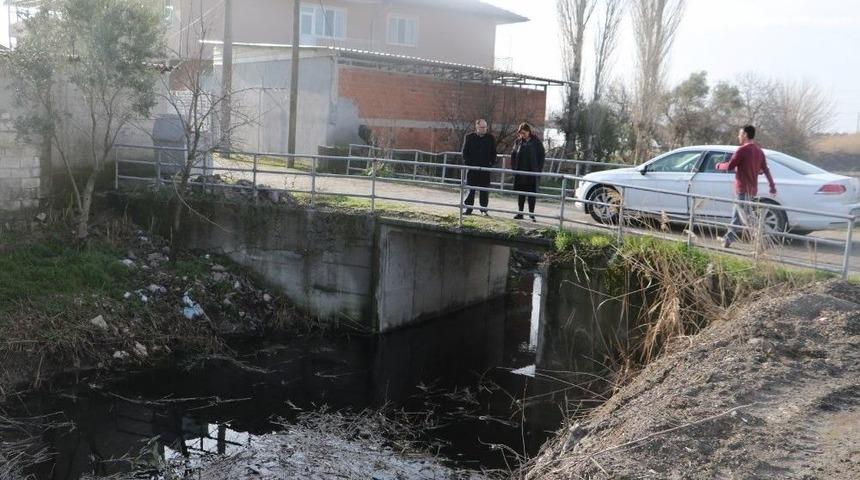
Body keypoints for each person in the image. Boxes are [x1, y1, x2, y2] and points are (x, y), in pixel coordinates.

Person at [716, 125, 777, 248]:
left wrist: (718, 165)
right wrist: (772, 186)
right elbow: (765, 169)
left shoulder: (742, 150)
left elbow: (730, 166)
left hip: (742, 189)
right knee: (738, 215)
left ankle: (764, 240)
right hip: (752, 190)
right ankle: (727, 240)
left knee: (747, 217)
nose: (738, 136)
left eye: (739, 134)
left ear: (745, 135)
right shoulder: (759, 151)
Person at [461, 119, 498, 215]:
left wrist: (490, 163)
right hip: (472, 168)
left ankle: (483, 210)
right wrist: (468, 163)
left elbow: (494, 153)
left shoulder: (490, 138)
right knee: (470, 189)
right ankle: (468, 209)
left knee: (484, 190)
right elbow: (465, 152)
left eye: (485, 127)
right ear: (477, 127)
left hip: (485, 168)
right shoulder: (469, 137)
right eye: (482, 127)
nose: (484, 129)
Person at [510, 122, 545, 221]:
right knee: (521, 194)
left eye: (524, 133)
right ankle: (520, 213)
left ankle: (531, 214)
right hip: (521, 172)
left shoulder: (536, 142)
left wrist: (539, 169)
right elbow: (513, 154)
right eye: (521, 133)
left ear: (529, 132)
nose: (522, 135)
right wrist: (513, 168)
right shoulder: (518, 142)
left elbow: (541, 156)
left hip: (532, 173)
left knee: (531, 195)